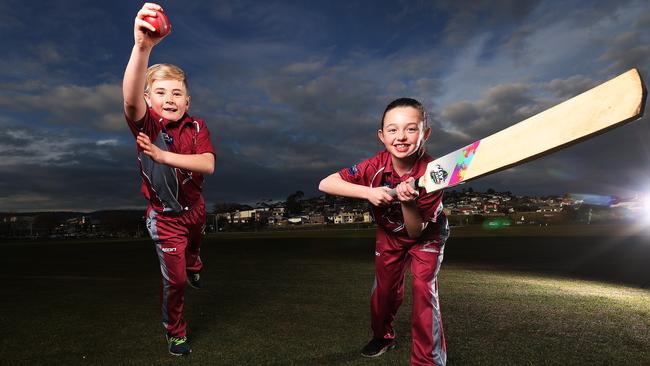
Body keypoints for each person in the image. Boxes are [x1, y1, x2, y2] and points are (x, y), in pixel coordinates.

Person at [319, 98, 449, 366]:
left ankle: (428, 361)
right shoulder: (374, 165)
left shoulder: (434, 172)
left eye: (411, 129)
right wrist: (368, 191)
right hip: (389, 234)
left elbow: (415, 232)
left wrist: (408, 201)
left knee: (424, 289)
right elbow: (325, 183)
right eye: (392, 130)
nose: (401, 137)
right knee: (384, 292)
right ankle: (383, 336)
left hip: (428, 233)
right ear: (382, 136)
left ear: (425, 133)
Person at [122, 2, 215, 356]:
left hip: (196, 208)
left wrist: (163, 157)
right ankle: (175, 331)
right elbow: (130, 102)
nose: (170, 99)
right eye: (160, 92)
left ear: (187, 99)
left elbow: (207, 164)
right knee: (175, 281)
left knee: (195, 250)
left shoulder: (196, 125)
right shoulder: (147, 123)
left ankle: (195, 261)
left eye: (177, 93)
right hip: (165, 219)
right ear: (149, 99)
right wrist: (142, 47)